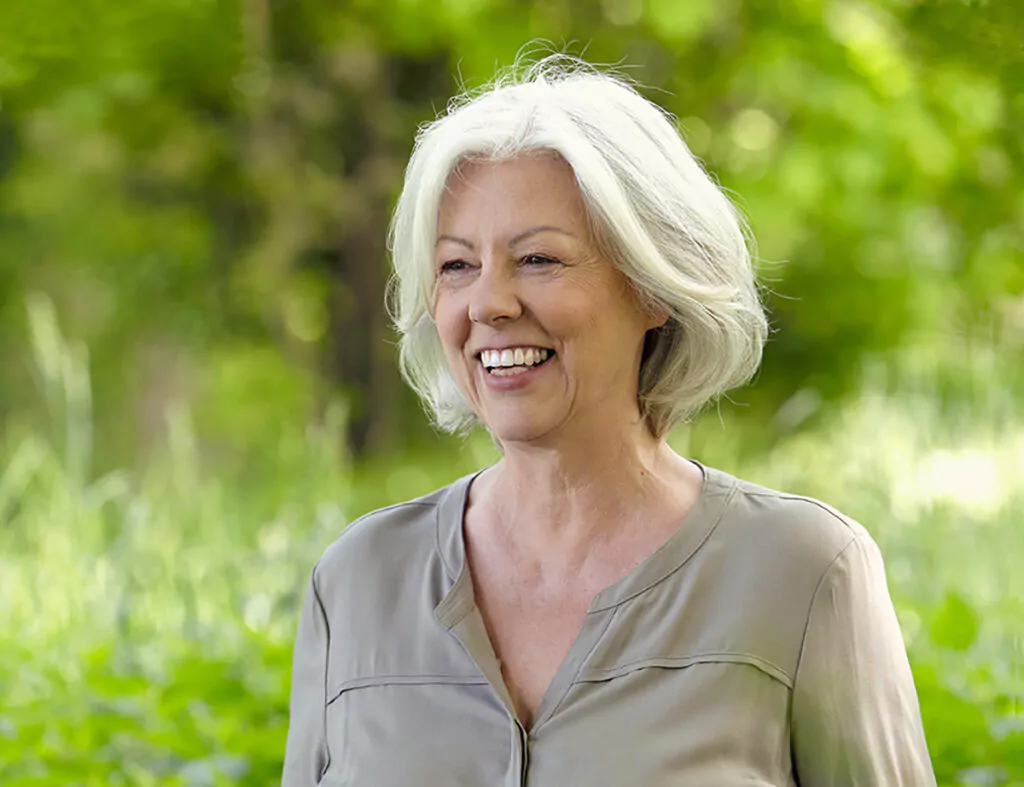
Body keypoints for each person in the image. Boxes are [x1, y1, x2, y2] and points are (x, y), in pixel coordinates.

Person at [282, 55, 936, 786]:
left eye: (537, 258)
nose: (489, 303)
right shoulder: (357, 580)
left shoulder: (806, 572)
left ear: (652, 285)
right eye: (457, 265)